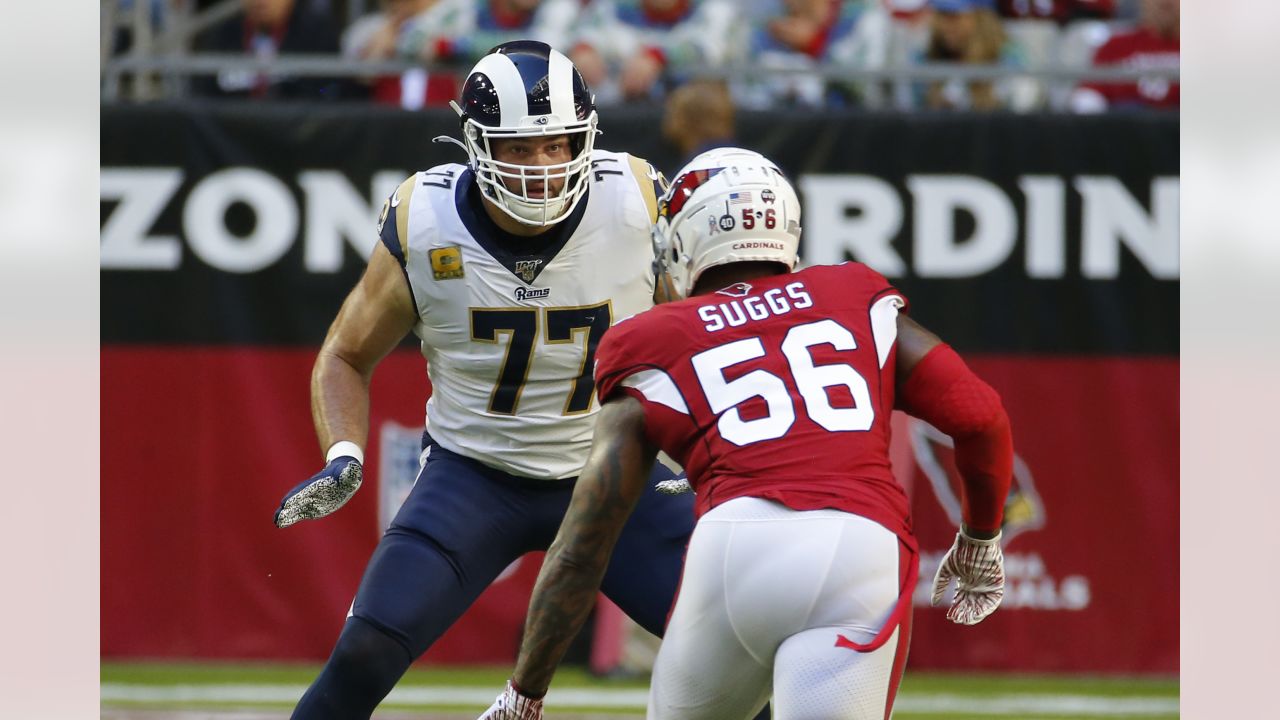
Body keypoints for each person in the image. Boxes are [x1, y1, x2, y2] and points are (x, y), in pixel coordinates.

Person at [479, 147, 1013, 719]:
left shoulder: (652, 337)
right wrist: (981, 535)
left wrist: (526, 692)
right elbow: (979, 415)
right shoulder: (852, 293)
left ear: (682, 239)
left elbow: (583, 543)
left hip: (734, 546)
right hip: (857, 544)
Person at [272, 40, 702, 719]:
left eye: (557, 145)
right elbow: (346, 355)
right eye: (519, 149)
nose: (542, 167)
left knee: (734, 659)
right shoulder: (427, 218)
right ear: (475, 145)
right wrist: (344, 453)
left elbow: (709, 338)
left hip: (615, 475)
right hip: (473, 478)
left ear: (584, 138)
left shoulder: (637, 201)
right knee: (362, 656)